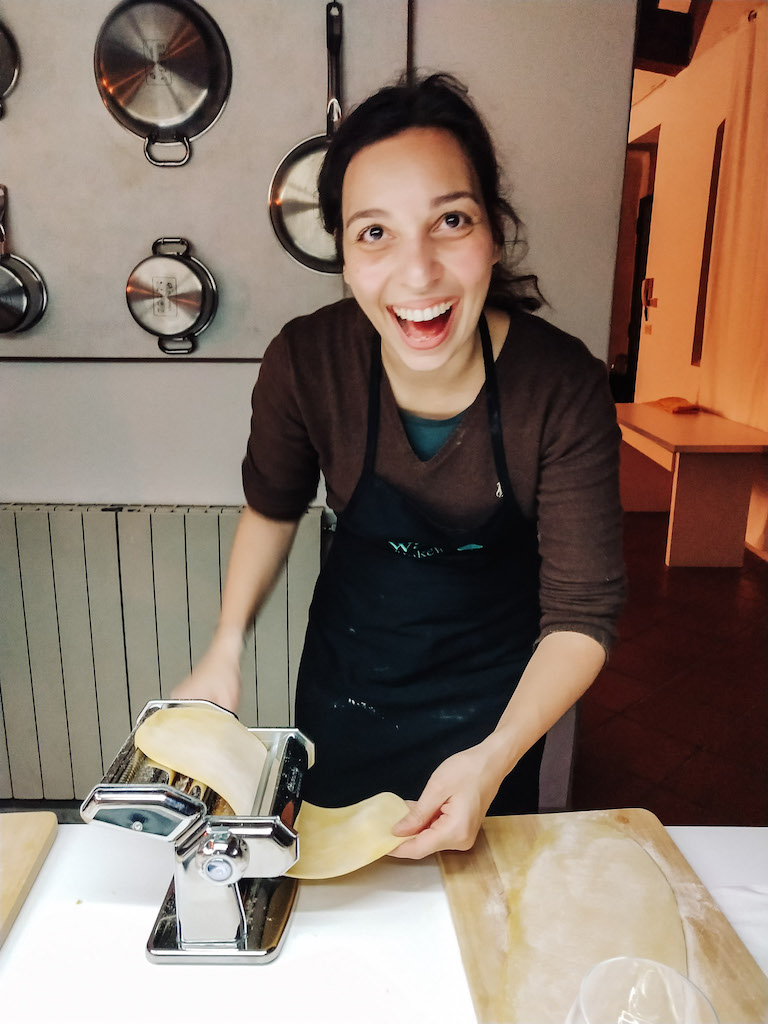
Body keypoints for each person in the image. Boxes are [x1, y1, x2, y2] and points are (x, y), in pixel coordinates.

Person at [173, 73, 625, 859]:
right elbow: (273, 507)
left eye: (450, 220)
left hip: (498, 707)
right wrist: (224, 643)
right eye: (375, 233)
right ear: (344, 255)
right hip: (350, 687)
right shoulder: (308, 363)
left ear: (493, 231)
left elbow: (583, 616)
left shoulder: (562, 387)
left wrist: (493, 758)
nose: (417, 275)